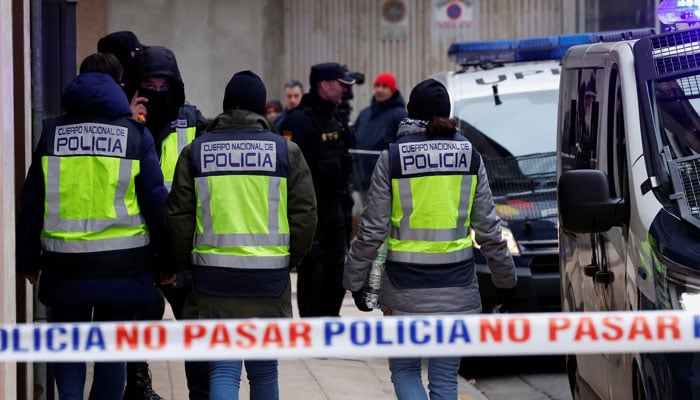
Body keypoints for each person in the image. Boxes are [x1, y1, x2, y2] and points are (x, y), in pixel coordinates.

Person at [343, 78, 518, 400]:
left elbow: (372, 229)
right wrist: (506, 281)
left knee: (406, 370)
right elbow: (489, 229)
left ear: (410, 112)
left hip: (404, 289)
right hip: (457, 287)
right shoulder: (469, 156)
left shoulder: (392, 158)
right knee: (444, 379)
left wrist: (355, 281)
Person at [15, 66, 171, 399]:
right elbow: (157, 205)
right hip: (124, 265)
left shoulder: (53, 134)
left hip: (63, 265)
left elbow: (32, 203)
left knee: (69, 348)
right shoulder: (135, 135)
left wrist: (27, 261)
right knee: (111, 353)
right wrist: (167, 262)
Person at [165, 70, 317, 400]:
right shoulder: (285, 152)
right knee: (264, 370)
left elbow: (178, 216)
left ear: (224, 105)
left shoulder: (196, 152)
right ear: (261, 108)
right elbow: (305, 216)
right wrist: (291, 260)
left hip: (212, 280)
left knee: (223, 368)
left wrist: (186, 262)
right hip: (268, 281)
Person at [125, 45, 211, 400]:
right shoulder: (125, 124)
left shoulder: (193, 122)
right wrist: (128, 120)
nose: (158, 93)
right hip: (137, 241)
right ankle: (138, 385)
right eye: (150, 85)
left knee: (193, 331)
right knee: (138, 323)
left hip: (181, 246)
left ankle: (201, 394)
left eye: (165, 86)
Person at [277, 62, 356, 317]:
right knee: (313, 271)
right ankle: (311, 329)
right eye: (340, 85)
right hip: (311, 210)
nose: (344, 90)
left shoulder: (336, 117)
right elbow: (291, 171)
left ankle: (331, 322)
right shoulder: (299, 120)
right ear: (324, 85)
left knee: (336, 271)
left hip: (336, 209)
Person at [352, 71, 407, 205]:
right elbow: (353, 140)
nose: (380, 90)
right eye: (377, 86)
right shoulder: (365, 113)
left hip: (386, 181)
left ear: (392, 90)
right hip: (363, 179)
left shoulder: (400, 115)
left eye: (384, 86)